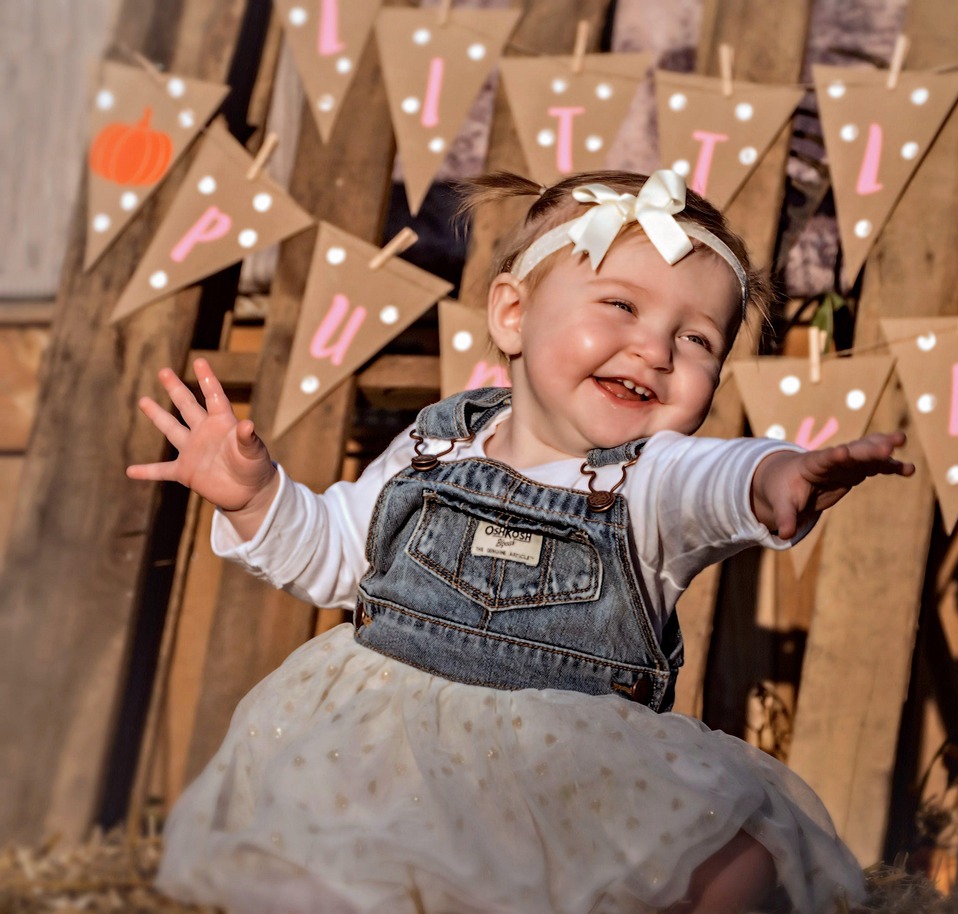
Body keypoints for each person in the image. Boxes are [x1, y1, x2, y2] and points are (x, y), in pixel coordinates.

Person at [129, 169, 914, 914]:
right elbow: (340, 553)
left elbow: (715, 477)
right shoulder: (437, 444)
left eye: (699, 340)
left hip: (573, 781)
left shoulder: (648, 479)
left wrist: (779, 476)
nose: (655, 350)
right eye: (620, 305)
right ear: (513, 313)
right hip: (389, 763)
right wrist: (257, 497)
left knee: (739, 867)